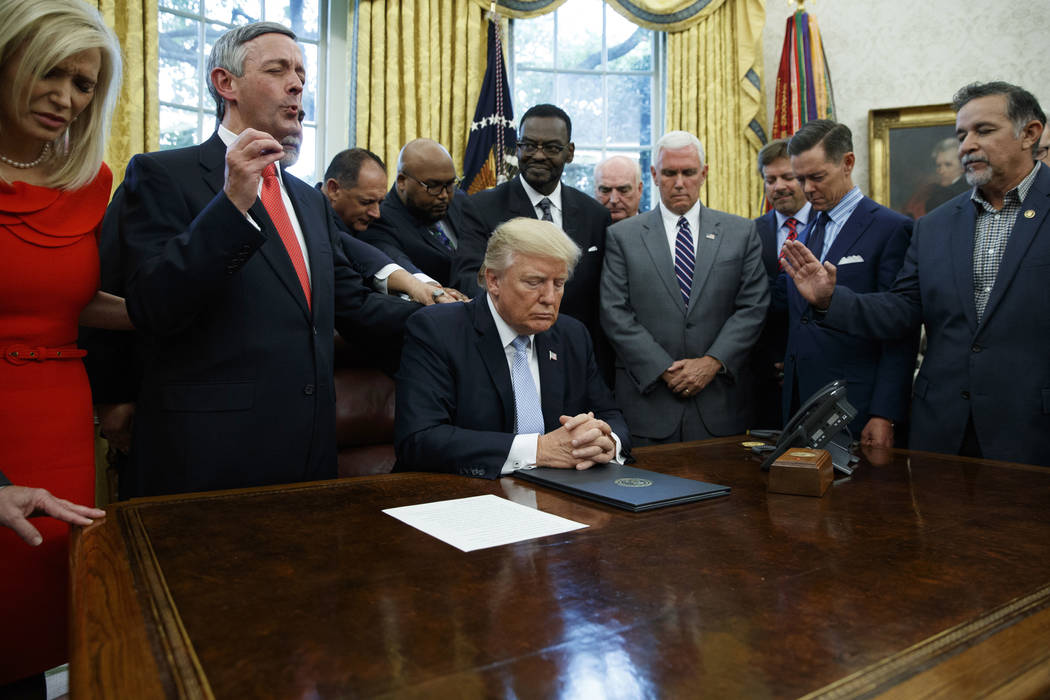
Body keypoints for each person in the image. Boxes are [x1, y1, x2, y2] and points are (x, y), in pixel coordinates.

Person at [111, 22, 419, 498]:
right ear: (225, 83)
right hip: (206, 458)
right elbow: (151, 304)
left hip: (310, 454)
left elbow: (351, 304)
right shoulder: (161, 175)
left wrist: (460, 319)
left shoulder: (309, 201)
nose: (297, 84)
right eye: (277, 70)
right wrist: (232, 204)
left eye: (300, 72)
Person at [782, 81, 1050, 466]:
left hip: (1032, 432)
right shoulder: (936, 224)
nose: (967, 145)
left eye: (984, 131)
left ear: (1030, 134)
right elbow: (902, 312)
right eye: (961, 135)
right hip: (942, 432)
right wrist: (830, 299)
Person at [0, 0, 127, 689]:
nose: (67, 99)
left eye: (84, 85)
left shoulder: (90, 182)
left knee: (37, 621)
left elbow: (66, 300)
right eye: (51, 72)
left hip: (58, 421)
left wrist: (165, 314)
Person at [395, 217, 629, 479]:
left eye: (559, 283)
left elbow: (609, 414)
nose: (550, 298)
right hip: (462, 497)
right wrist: (538, 450)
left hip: (559, 495)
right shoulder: (437, 331)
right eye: (534, 282)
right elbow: (419, 439)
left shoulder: (571, 335)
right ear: (494, 281)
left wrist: (607, 442)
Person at [600, 130, 768, 445]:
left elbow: (753, 308)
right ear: (653, 175)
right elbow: (614, 312)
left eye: (688, 172)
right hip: (647, 405)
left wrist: (712, 362)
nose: (679, 182)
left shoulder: (741, 232)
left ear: (704, 174)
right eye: (669, 172)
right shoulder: (623, 236)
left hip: (719, 405)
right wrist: (663, 368)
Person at [781, 119, 916, 447]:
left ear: (848, 163)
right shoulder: (811, 226)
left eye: (817, 177)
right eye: (801, 179)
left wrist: (884, 413)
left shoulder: (890, 227)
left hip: (855, 405)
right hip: (800, 401)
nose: (808, 189)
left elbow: (901, 329)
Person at [461, 104, 613, 377]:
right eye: (528, 145)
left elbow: (602, 298)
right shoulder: (482, 208)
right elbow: (471, 280)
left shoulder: (596, 214)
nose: (538, 155)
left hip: (576, 361)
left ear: (570, 152)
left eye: (552, 148)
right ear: (517, 148)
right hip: (506, 353)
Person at [322, 147, 467, 305]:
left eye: (450, 184)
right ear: (334, 189)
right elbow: (382, 258)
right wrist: (425, 291)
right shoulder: (317, 222)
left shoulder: (459, 201)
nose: (376, 213)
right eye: (367, 202)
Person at [359, 138, 480, 297]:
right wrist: (431, 289)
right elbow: (398, 265)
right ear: (402, 181)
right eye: (433, 186)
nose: (444, 195)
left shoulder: (458, 199)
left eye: (450, 184)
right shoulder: (381, 220)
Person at [749, 138, 811, 429]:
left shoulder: (825, 226)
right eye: (770, 179)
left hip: (814, 369)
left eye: (788, 177)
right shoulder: (749, 232)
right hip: (762, 376)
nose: (778, 186)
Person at [925, 137, 969, 212]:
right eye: (939, 165)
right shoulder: (938, 193)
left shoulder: (943, 197)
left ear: (963, 167)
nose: (941, 171)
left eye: (948, 165)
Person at [594, 155, 643, 222]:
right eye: (605, 190)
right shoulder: (581, 230)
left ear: (639, 189)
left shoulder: (658, 231)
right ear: (595, 191)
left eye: (623, 190)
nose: (614, 200)